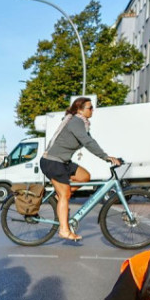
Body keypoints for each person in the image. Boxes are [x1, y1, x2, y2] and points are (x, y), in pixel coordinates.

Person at [38, 97, 122, 242]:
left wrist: (109, 156)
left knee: (84, 176)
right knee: (66, 195)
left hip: (63, 161)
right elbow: (87, 142)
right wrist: (105, 157)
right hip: (52, 162)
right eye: (90, 108)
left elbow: (91, 140)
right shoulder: (76, 122)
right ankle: (64, 230)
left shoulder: (82, 123)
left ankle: (60, 198)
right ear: (79, 110)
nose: (92, 110)